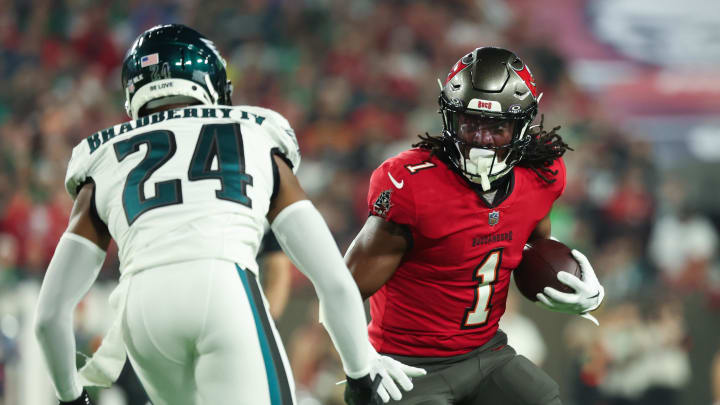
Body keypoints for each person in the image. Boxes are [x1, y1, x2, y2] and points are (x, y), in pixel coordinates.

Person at [33, 24, 424, 405]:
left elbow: (49, 315)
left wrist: (72, 396)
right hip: (221, 286)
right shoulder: (253, 132)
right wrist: (359, 371)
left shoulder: (102, 158)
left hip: (141, 314)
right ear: (212, 84)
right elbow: (334, 280)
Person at [345, 46, 605, 405]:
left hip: (486, 354)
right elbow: (340, 288)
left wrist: (582, 287)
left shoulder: (540, 174)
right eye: (470, 122)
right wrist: (360, 361)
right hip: (408, 365)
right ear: (449, 118)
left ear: (520, 126)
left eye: (496, 126)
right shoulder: (412, 185)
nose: (482, 139)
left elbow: (530, 247)